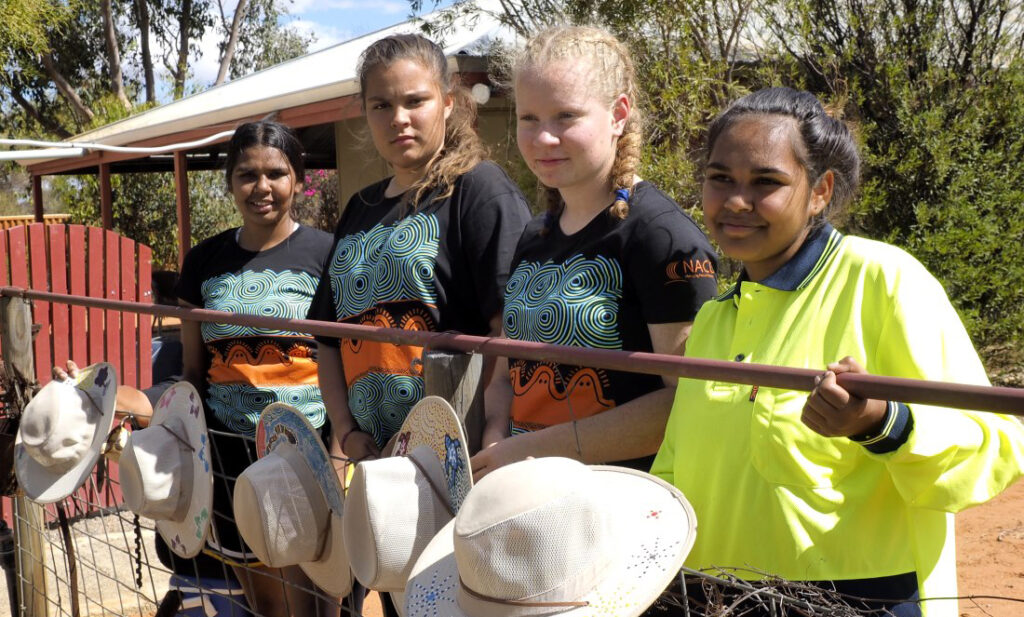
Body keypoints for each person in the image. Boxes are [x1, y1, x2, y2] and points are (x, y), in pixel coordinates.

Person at [649, 87, 1024, 616]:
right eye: (720, 178)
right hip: (716, 597)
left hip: (859, 600)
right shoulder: (714, 319)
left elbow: (998, 445)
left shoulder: (883, 280)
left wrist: (882, 424)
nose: (735, 201)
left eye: (766, 182)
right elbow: (676, 472)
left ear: (820, 191)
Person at [469, 25, 719, 479]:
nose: (544, 138)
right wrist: (496, 444)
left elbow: (685, 401)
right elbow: (506, 375)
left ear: (618, 114)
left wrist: (535, 451)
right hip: (524, 491)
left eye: (566, 116)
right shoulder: (535, 234)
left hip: (619, 504)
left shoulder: (661, 237)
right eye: (529, 118)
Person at [307, 33, 531, 463]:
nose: (399, 118)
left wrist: (474, 436)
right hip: (376, 464)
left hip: (456, 455)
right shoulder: (360, 207)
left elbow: (511, 332)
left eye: (415, 101)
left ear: (447, 102)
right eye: (381, 105)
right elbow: (329, 339)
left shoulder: (479, 191)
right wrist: (346, 431)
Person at [174, 121, 337, 617]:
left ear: (298, 180)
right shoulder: (203, 261)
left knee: (322, 594)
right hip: (230, 455)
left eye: (276, 174)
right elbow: (193, 369)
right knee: (268, 604)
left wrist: (338, 454)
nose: (261, 187)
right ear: (230, 182)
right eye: (247, 174)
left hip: (311, 451)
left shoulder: (328, 255)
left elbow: (347, 361)